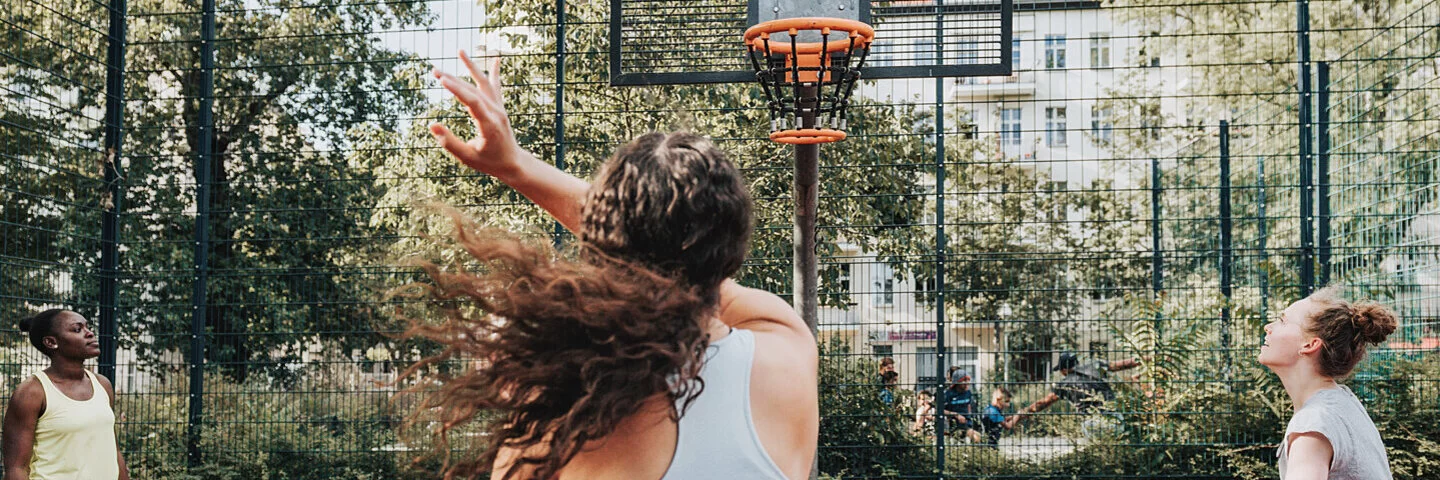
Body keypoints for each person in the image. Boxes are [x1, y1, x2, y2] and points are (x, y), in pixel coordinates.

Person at [409, 51, 819, 480]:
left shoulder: (556, 433)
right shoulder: (786, 350)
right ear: (732, 247)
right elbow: (691, 261)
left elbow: (646, 248)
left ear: (604, 251)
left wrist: (514, 164)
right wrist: (519, 167)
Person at [1260, 287, 1396, 480]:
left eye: (1282, 321)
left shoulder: (1314, 423)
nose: (1268, 327)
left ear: (1309, 345)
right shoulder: (1342, 402)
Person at [2, 309, 129, 479]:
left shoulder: (102, 385)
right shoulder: (32, 392)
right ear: (51, 342)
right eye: (77, 329)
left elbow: (114, 450)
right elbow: (16, 469)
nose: (90, 333)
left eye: (87, 327)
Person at [1012, 351, 1142, 423]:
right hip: (1115, 417)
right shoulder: (1095, 365)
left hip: (1093, 422)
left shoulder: (1064, 384)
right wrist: (1145, 358)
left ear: (1064, 369)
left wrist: (1022, 413)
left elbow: (1043, 403)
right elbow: (1121, 365)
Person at [938, 369, 982, 442]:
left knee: (977, 437)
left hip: (966, 425)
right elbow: (940, 410)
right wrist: (956, 415)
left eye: (968, 380)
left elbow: (968, 406)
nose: (967, 383)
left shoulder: (968, 393)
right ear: (957, 382)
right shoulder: (948, 394)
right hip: (953, 426)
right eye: (964, 381)